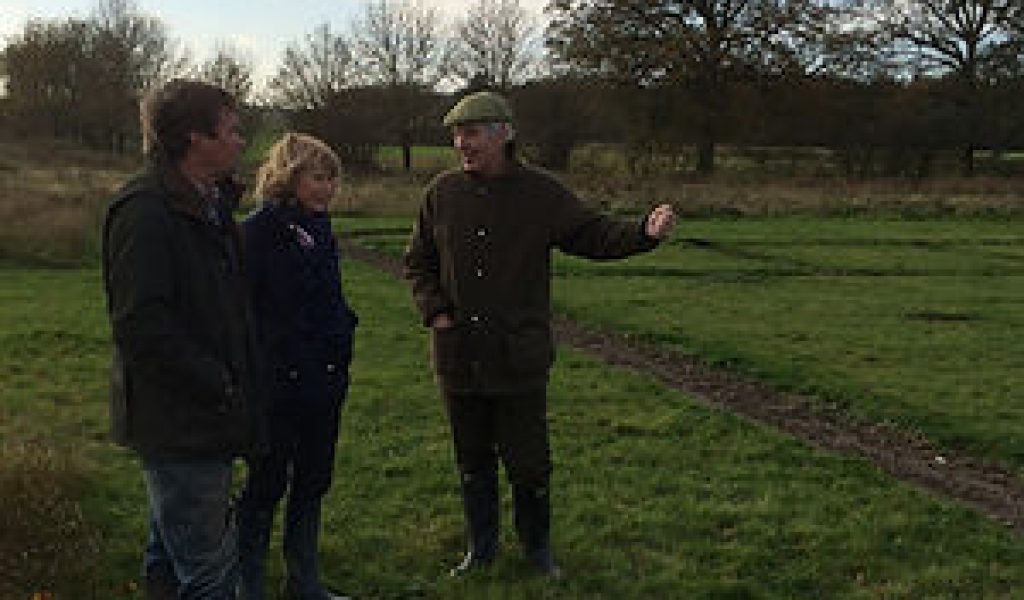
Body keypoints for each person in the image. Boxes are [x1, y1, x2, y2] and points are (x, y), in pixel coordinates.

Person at [402, 91, 676, 580]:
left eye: (472, 133)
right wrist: (437, 312)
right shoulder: (441, 194)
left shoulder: (542, 194)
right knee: (472, 457)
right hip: (459, 357)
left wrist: (644, 234)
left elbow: (594, 235)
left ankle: (537, 551)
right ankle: (480, 550)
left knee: (529, 463)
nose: (462, 144)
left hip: (518, 358)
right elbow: (418, 262)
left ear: (504, 133)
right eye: (457, 134)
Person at [102, 79, 261, 599]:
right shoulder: (145, 211)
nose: (242, 141)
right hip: (180, 420)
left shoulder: (210, 203)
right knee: (210, 571)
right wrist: (217, 382)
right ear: (196, 139)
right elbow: (140, 325)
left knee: (170, 559)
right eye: (232, 130)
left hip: (206, 415)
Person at [236, 133, 358, 600]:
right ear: (289, 177)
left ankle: (303, 582)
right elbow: (248, 312)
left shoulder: (321, 227)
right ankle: (249, 586)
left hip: (323, 383)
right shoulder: (257, 232)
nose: (327, 188)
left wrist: (341, 342)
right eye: (317, 177)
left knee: (313, 481)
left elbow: (328, 302)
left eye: (332, 179)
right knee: (265, 486)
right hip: (277, 386)